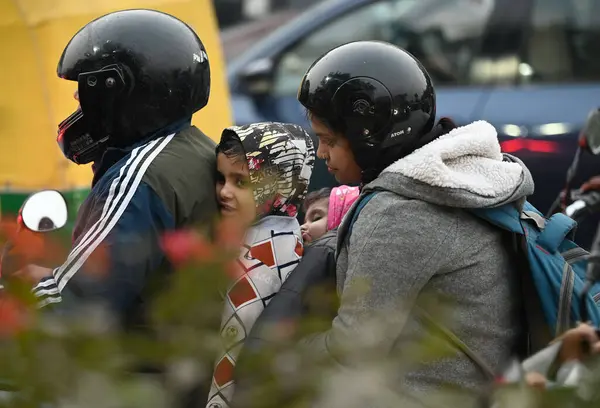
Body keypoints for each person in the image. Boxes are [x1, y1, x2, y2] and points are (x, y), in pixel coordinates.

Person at [292, 40, 535, 407]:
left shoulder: (400, 214)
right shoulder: (456, 179)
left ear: (369, 138)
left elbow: (353, 348)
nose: (321, 152)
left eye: (328, 140)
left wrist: (277, 353)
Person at [23, 10, 217, 326]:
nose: (77, 96)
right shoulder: (194, 148)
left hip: (142, 366)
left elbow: (78, 304)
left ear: (123, 92)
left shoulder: (137, 177)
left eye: (87, 89)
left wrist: (17, 293)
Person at [206, 122, 315, 408]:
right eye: (221, 178)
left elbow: (230, 356)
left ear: (280, 184)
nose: (224, 192)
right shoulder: (289, 229)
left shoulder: (255, 261)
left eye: (241, 182)